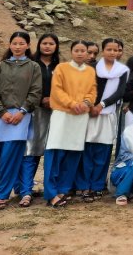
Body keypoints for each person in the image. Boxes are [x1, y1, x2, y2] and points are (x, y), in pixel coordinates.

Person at [0, 32, 43, 211]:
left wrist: (22, 111)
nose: (17, 47)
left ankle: (2, 195)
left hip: (20, 117)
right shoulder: (0, 66)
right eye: (14, 43)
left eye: (21, 43)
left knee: (9, 158)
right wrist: (1, 112)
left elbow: (35, 92)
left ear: (28, 45)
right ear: (10, 45)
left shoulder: (33, 67)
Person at [43, 40, 96, 208]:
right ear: (71, 52)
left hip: (80, 117)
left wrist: (86, 103)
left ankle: (63, 189)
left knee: (73, 153)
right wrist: (72, 104)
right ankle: (51, 193)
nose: (80, 53)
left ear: (87, 53)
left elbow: (92, 91)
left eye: (83, 51)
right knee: (55, 152)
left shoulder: (90, 71)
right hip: (62, 114)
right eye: (77, 50)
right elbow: (57, 90)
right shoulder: (62, 68)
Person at [78, 38, 129, 202]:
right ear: (103, 50)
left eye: (116, 50)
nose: (112, 52)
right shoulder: (92, 68)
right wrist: (91, 106)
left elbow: (120, 92)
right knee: (88, 149)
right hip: (90, 113)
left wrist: (102, 105)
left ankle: (98, 185)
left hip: (108, 114)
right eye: (109, 49)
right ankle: (85, 185)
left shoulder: (122, 70)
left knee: (103, 150)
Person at [17, 33, 59, 207]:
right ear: (39, 45)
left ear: (56, 46)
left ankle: (52, 189)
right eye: (44, 43)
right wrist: (40, 99)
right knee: (30, 151)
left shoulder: (60, 66)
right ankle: (25, 190)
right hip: (34, 112)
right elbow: (24, 88)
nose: (47, 46)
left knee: (51, 152)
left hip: (55, 113)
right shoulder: (31, 64)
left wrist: (54, 100)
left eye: (51, 43)